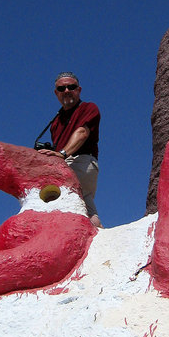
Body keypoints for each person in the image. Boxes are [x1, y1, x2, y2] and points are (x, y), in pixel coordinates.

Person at [39, 72, 101, 227]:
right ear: (56, 93)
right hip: (63, 164)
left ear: (79, 90)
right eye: (61, 88)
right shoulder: (55, 122)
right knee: (85, 207)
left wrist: (62, 154)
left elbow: (82, 132)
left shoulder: (88, 108)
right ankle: (99, 236)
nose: (66, 91)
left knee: (56, 200)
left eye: (71, 87)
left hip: (81, 161)